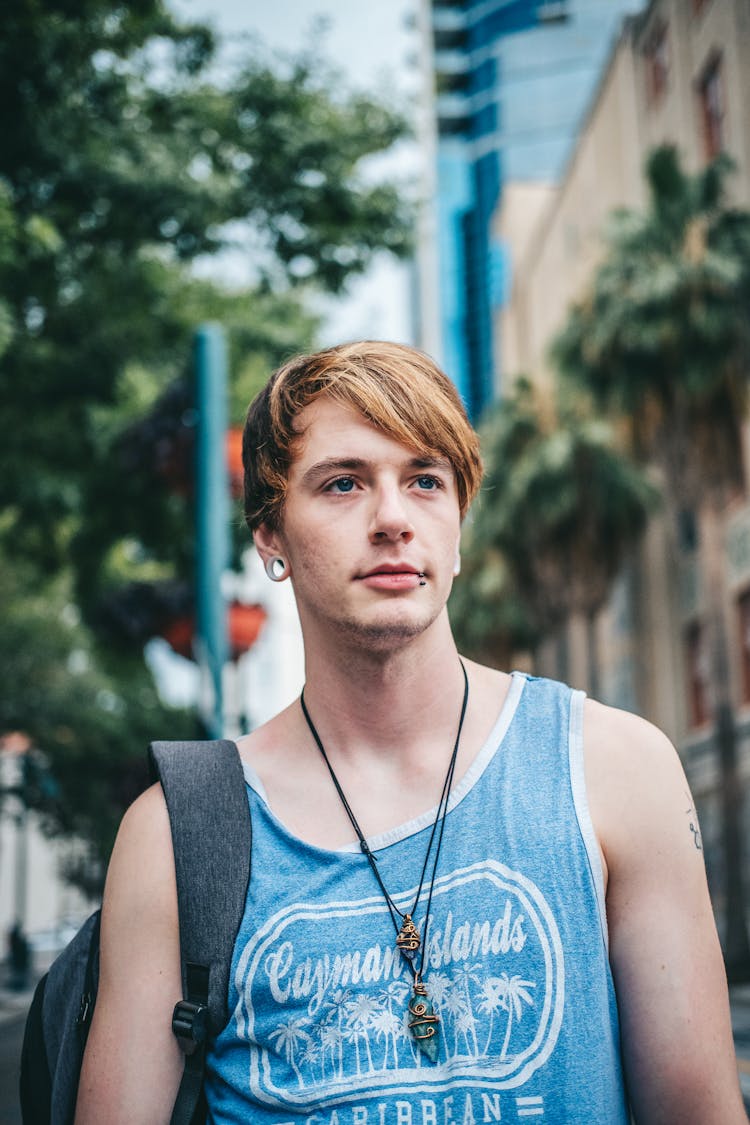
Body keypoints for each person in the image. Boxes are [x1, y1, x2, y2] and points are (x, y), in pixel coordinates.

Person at [76, 341, 746, 1123]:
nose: (393, 518)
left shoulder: (618, 769)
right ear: (270, 538)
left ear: (459, 522)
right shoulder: (175, 836)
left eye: (425, 480)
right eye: (343, 483)